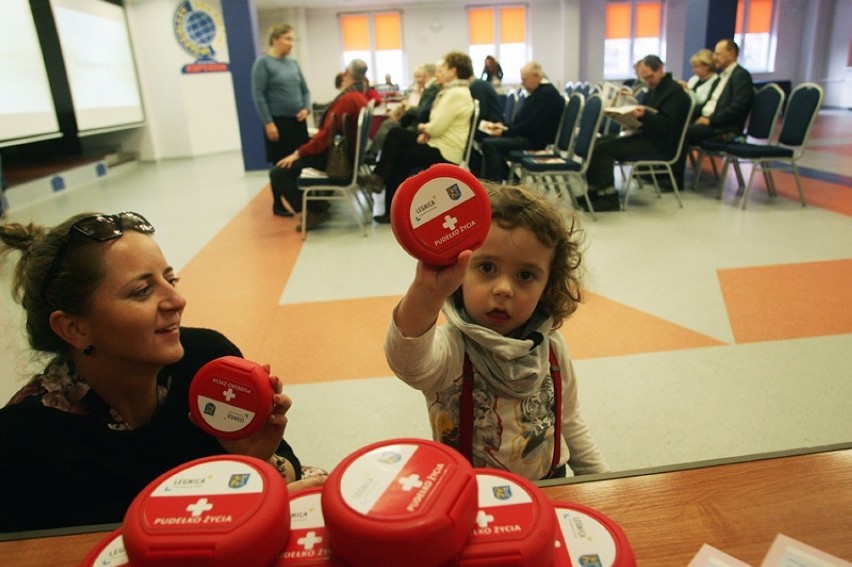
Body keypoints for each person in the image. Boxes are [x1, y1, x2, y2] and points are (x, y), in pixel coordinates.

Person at [0, 212, 324, 531]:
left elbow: (288, 470)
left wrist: (256, 459)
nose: (177, 300)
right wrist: (250, 506)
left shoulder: (209, 362)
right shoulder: (27, 440)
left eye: (171, 280)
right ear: (73, 327)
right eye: (142, 291)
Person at [384, 183, 610, 481]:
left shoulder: (552, 347)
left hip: (550, 485)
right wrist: (426, 294)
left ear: (547, 287)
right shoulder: (452, 349)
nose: (504, 289)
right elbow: (408, 362)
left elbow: (569, 419)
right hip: (472, 493)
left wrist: (602, 480)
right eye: (487, 268)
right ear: (460, 270)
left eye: (526, 275)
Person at [360, 51, 475, 224]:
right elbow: (437, 125)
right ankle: (386, 194)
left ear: (453, 71)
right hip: (438, 144)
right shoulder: (453, 92)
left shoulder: (456, 94)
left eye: (442, 69)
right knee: (396, 139)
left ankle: (383, 186)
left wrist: (424, 129)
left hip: (445, 151)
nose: (437, 73)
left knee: (397, 143)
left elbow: (436, 127)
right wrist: (427, 132)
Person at [269, 60, 370, 232]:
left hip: (335, 161)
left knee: (278, 173)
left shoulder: (347, 99)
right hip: (345, 157)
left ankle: (315, 210)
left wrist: (298, 154)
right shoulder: (359, 97)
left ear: (346, 73)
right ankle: (318, 206)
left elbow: (325, 138)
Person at [585, 55, 692, 209]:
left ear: (661, 69)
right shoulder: (655, 90)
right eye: (644, 79)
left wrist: (644, 116)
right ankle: (593, 192)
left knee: (603, 149)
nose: (648, 82)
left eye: (649, 77)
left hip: (660, 144)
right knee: (597, 142)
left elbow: (666, 126)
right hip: (647, 136)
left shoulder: (675, 93)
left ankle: (608, 197)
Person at [251, 24, 311, 217]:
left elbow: (305, 90)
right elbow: (258, 94)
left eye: (292, 39)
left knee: (297, 161)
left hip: (297, 121)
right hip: (278, 122)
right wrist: (268, 122)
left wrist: (306, 107)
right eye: (287, 39)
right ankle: (278, 204)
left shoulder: (293, 64)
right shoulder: (263, 63)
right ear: (275, 39)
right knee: (279, 164)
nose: (291, 43)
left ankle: (301, 198)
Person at [676, 39, 754, 186]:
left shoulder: (740, 76)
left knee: (682, 133)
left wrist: (711, 120)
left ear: (731, 54)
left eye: (718, 54)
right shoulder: (722, 77)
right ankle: (663, 170)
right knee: (675, 126)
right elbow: (710, 103)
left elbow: (738, 107)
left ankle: (675, 178)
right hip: (709, 121)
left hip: (724, 127)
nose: (715, 58)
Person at [479, 61, 565, 182]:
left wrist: (504, 132)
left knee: (490, 145)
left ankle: (501, 184)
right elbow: (523, 122)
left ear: (537, 76)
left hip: (535, 142)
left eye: (525, 79)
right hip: (528, 136)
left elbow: (530, 126)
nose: (522, 83)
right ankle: (511, 181)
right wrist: (503, 127)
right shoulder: (539, 92)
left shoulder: (547, 95)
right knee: (488, 142)